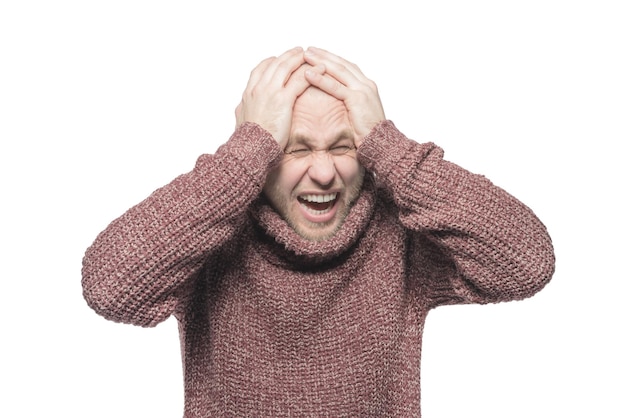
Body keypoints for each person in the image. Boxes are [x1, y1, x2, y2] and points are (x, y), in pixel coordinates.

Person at [82, 46, 555, 417]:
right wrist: (244, 154)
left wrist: (389, 146)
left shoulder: (398, 233)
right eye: (296, 149)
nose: (325, 173)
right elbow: (109, 287)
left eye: (344, 146)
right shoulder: (209, 233)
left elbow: (528, 261)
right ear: (258, 155)